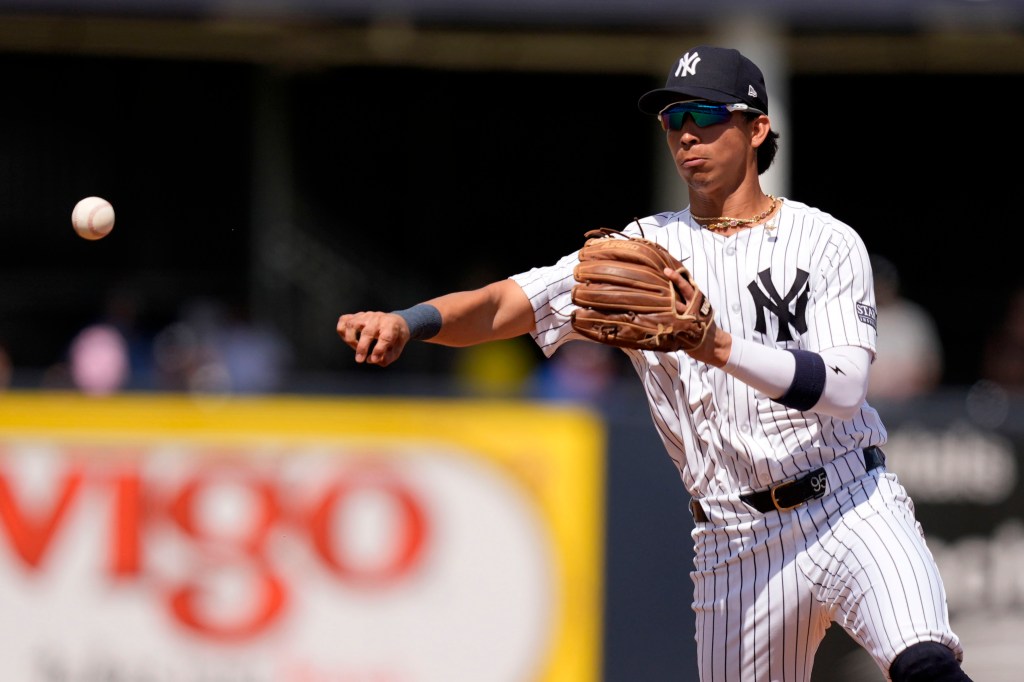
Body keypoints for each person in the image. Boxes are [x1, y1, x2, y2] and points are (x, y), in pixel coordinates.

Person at [336, 45, 971, 682]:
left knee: (926, 665)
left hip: (847, 503)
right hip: (732, 541)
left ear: (756, 128)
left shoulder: (827, 241)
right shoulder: (642, 249)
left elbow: (842, 388)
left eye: (704, 114)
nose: (687, 133)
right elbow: (506, 304)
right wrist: (409, 322)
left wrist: (712, 344)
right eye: (672, 119)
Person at [867, 253, 944, 400]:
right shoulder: (853, 317)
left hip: (911, 406)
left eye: (885, 280)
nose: (881, 287)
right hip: (865, 406)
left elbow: (932, 367)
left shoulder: (913, 317)